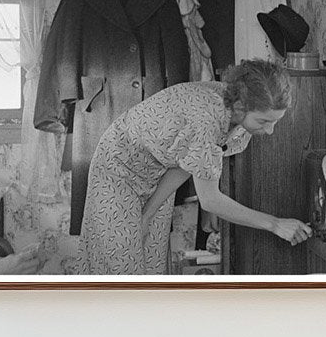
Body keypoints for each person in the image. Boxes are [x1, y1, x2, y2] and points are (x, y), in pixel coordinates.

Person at [79, 59, 312, 274]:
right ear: (241, 106)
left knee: (151, 262)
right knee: (120, 263)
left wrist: (148, 213)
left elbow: (185, 162)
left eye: (274, 122)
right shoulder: (207, 119)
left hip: (157, 171)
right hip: (118, 168)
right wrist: (275, 224)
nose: (269, 131)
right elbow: (210, 200)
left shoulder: (238, 111)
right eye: (264, 121)